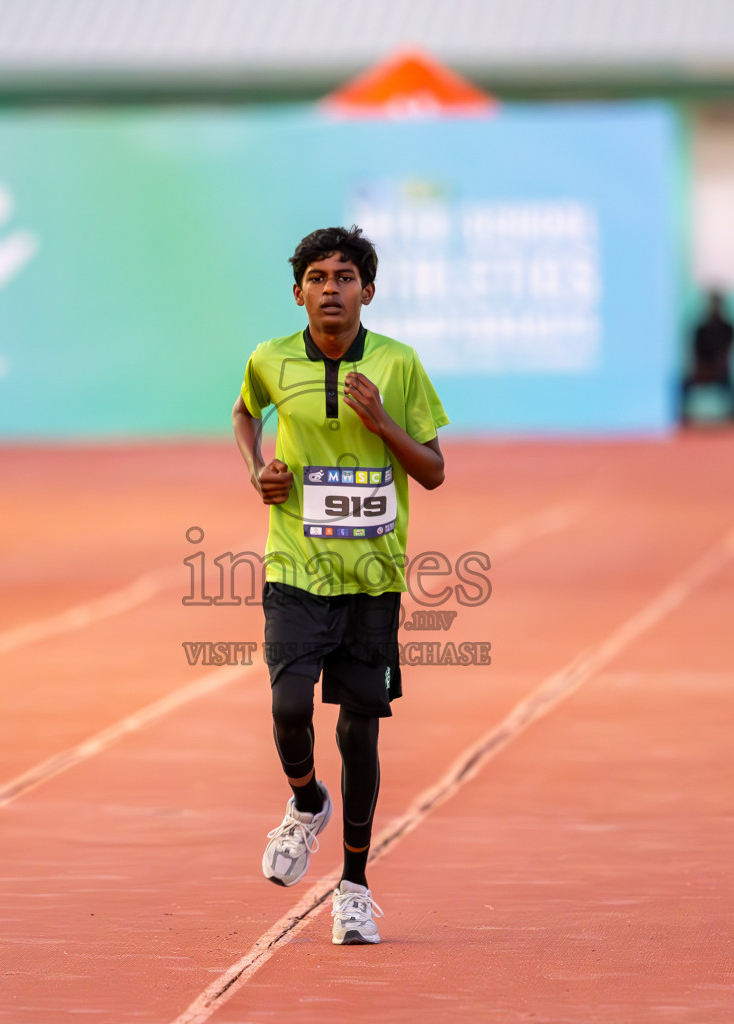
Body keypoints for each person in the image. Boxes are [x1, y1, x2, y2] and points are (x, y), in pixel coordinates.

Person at [231, 226, 448, 945]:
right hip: (295, 566)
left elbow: (433, 470)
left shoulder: (399, 363)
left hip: (374, 577)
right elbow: (243, 414)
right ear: (298, 292)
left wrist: (382, 421)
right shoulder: (269, 360)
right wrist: (257, 468)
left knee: (360, 733)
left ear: (368, 291)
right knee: (289, 704)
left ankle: (353, 889)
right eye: (318, 277)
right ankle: (305, 802)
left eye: (345, 276)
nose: (332, 287)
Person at [680, 290, 734, 425]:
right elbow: (695, 353)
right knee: (683, 384)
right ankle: (683, 418)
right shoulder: (700, 329)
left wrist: (720, 368)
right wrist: (702, 369)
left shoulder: (728, 328)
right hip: (703, 370)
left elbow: (730, 354)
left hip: (722, 371)